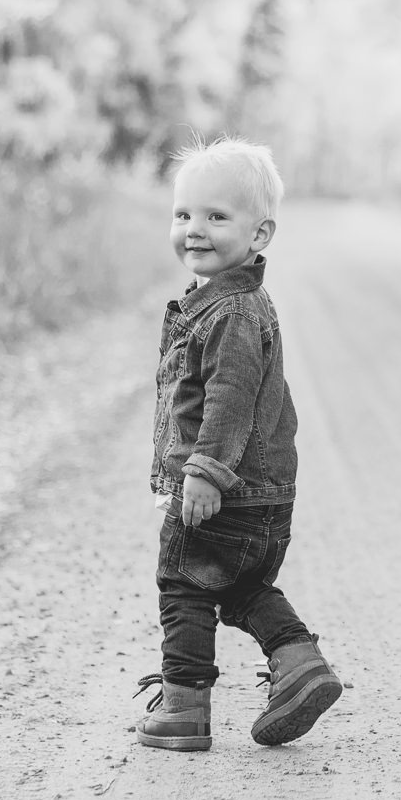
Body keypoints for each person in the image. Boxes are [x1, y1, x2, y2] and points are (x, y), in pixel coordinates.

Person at [133, 136, 342, 751]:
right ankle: (299, 662)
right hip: (262, 494)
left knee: (184, 582)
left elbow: (229, 398)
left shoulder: (231, 314)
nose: (195, 229)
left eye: (217, 216)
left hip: (225, 484)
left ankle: (185, 707)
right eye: (183, 214)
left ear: (260, 234)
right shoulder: (225, 304)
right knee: (241, 585)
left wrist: (203, 472)